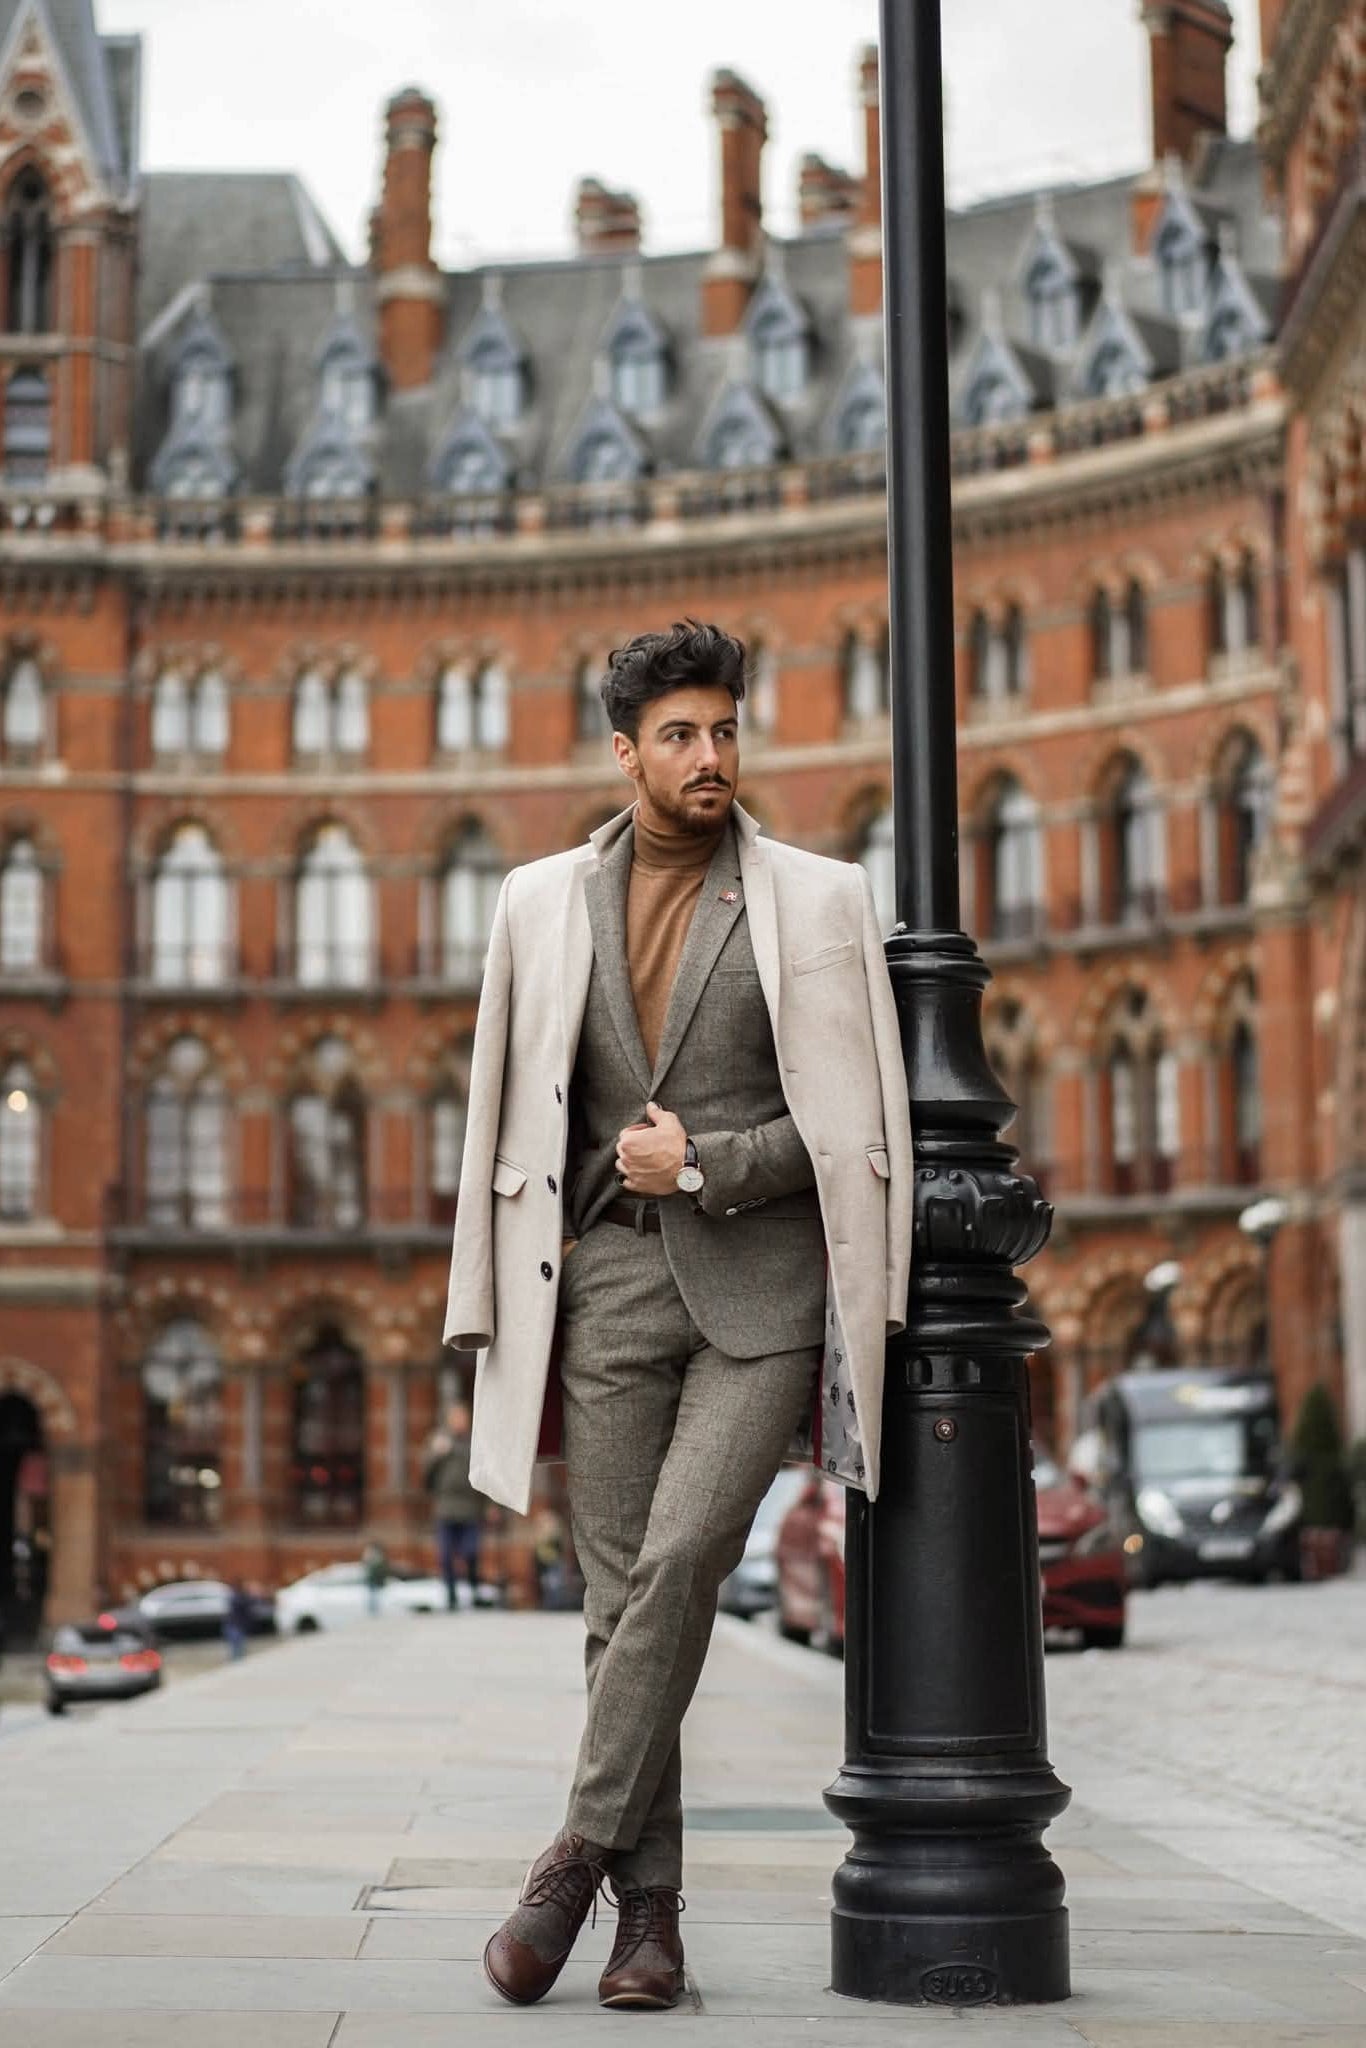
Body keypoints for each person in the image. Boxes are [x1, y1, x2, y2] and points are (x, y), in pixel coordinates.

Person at [443, 620, 912, 2012]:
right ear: (624, 753)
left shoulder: (818, 899)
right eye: (680, 736)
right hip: (601, 1284)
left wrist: (706, 1159)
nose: (710, 759)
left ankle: (569, 1860)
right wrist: (484, 1291)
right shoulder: (536, 903)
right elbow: (495, 1117)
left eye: (724, 731)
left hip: (759, 1289)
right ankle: (650, 1928)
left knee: (685, 1559)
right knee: (612, 1603)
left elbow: (852, 1128)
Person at [423, 1399, 485, 1610]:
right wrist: (437, 1455)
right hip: (446, 1509)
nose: (460, 1422)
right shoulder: (439, 1442)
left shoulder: (475, 1442)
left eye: (463, 1417)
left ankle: (474, 1590)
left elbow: (485, 1475)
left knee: (471, 1552)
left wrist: (492, 1506)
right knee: (446, 1554)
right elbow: (426, 1478)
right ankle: (451, 1595)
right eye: (456, 1418)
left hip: (469, 1508)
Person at [222, 1579, 252, 1660]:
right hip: (235, 1624)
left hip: (235, 1624)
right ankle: (236, 1660)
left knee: (237, 1645)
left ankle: (237, 1659)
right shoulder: (238, 1597)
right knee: (237, 1645)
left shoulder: (237, 1597)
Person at [361, 1539, 389, 1617]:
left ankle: (374, 1609)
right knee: (372, 1594)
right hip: (372, 1579)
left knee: (374, 1594)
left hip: (374, 1579)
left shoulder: (376, 1556)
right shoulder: (372, 1555)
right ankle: (372, 1609)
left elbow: (379, 1568)